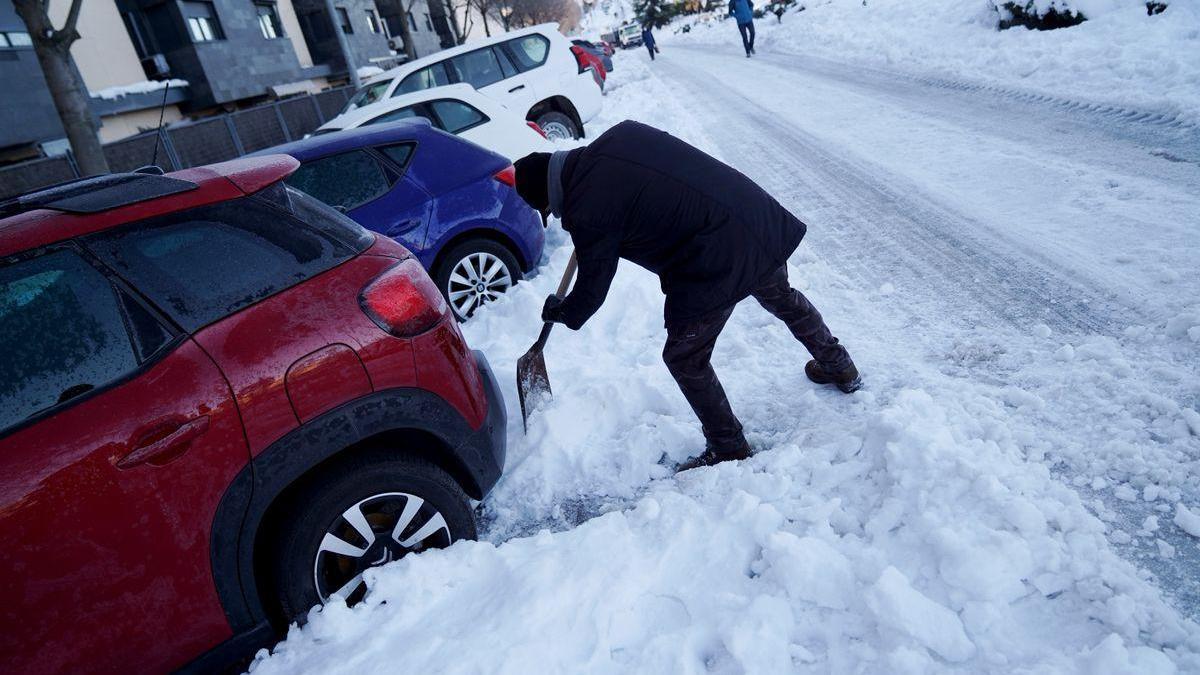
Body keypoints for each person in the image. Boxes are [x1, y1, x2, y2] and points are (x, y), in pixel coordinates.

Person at [513, 121, 861, 471]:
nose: (556, 216)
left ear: (550, 195)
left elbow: (590, 294)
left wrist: (562, 311)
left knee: (684, 357)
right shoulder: (620, 135)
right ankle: (839, 365)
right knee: (781, 295)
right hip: (748, 214)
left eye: (551, 210)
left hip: (714, 253)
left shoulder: (588, 208)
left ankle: (729, 445)